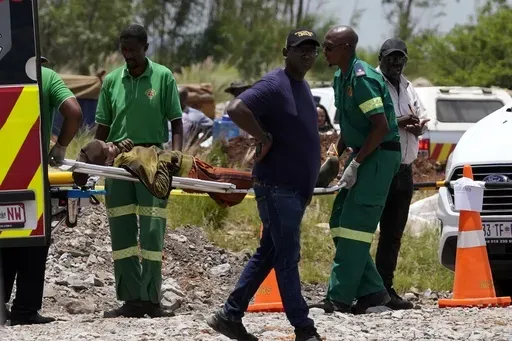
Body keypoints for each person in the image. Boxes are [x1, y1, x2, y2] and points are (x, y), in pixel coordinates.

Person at [206, 28, 323, 341]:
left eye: (312, 49)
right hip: (277, 187)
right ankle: (304, 328)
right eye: (301, 49)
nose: (308, 55)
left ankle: (229, 315)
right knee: (287, 257)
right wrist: (262, 136)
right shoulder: (275, 83)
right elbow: (235, 108)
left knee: (269, 253)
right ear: (286, 53)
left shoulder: (302, 86)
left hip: (294, 190)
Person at [310, 25, 401, 315]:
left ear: (347, 48)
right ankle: (373, 292)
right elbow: (349, 125)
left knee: (354, 227)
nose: (323, 51)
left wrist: (357, 163)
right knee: (338, 220)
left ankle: (338, 297)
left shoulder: (362, 78)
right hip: (361, 152)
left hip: (378, 155)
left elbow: (381, 126)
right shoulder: (340, 77)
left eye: (329, 46)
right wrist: (334, 154)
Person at [93, 24, 183, 318]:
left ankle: (151, 300)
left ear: (146, 47)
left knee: (152, 230)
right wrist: (97, 156)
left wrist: (175, 155)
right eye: (124, 49)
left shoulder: (163, 76)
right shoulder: (111, 81)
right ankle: (130, 298)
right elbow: (103, 128)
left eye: (133, 49)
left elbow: (176, 121)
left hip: (153, 160)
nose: (127, 54)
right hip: (118, 162)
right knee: (121, 230)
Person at [1, 57, 83, 325]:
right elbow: (74, 111)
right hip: (31, 172)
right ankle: (24, 309)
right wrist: (60, 146)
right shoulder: (46, 76)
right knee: (32, 237)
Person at [374, 38, 429, 310]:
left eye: (401, 58)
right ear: (381, 57)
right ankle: (364, 290)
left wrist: (418, 126)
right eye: (391, 58)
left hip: (404, 170)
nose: (396, 63)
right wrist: (398, 123)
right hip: (380, 169)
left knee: (393, 234)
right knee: (363, 232)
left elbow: (422, 116)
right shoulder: (371, 82)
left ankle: (385, 289)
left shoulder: (408, 87)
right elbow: (368, 124)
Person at [73, 138, 253, 207]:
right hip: (189, 170)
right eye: (108, 148)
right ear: (106, 160)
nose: (112, 144)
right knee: (244, 180)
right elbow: (159, 188)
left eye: (109, 142)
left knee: (238, 184)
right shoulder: (129, 163)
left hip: (190, 165)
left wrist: (125, 146)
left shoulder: (122, 156)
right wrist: (165, 164)